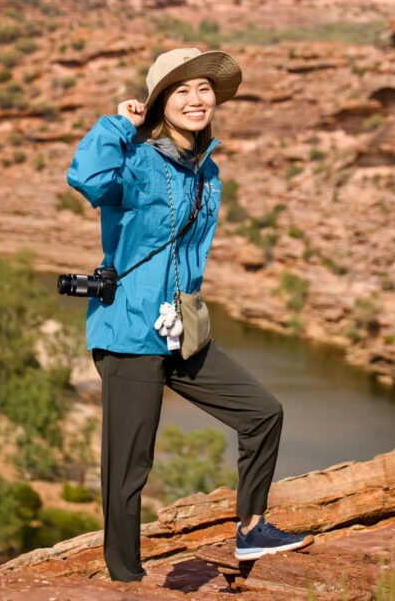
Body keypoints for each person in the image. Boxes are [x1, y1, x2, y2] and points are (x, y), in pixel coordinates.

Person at [67, 46, 313, 582]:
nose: (196, 99)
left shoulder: (207, 170)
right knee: (130, 470)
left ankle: (251, 529)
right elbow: (86, 178)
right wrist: (118, 124)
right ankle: (125, 580)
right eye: (181, 90)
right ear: (160, 101)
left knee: (263, 412)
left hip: (180, 330)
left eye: (204, 88)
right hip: (130, 330)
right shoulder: (134, 160)